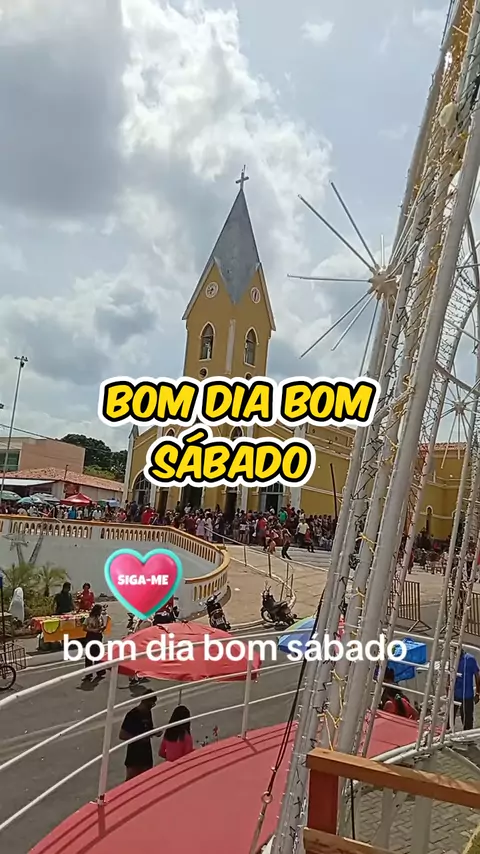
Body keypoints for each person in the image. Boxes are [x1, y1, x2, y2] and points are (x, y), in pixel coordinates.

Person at [120, 689, 158, 780]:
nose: (152, 706)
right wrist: (139, 738)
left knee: (146, 779)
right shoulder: (132, 715)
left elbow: (148, 728)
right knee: (131, 779)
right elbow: (122, 735)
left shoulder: (148, 712)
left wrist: (154, 731)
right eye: (152, 704)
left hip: (146, 753)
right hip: (134, 754)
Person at [454, 649, 480, 730]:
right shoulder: (452, 659)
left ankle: (468, 735)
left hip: (467, 696)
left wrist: (478, 693)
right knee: (448, 719)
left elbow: (477, 676)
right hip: (454, 694)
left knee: (467, 721)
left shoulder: (470, 659)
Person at [82, 604, 107, 681]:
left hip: (98, 636)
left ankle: (100, 671)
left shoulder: (100, 617)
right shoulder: (89, 618)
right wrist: (93, 630)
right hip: (91, 635)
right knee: (89, 654)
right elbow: (84, 628)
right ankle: (88, 674)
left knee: (98, 654)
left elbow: (102, 625)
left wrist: (102, 628)